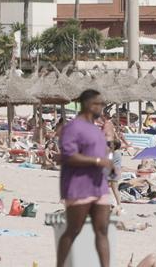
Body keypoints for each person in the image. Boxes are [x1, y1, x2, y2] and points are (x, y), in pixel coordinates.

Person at [56, 89, 114, 267]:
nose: (102, 107)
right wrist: (97, 161)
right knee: (73, 230)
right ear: (90, 105)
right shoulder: (73, 128)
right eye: (99, 104)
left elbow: (102, 153)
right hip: (79, 185)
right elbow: (69, 156)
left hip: (99, 186)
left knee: (102, 230)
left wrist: (109, 154)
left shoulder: (95, 129)